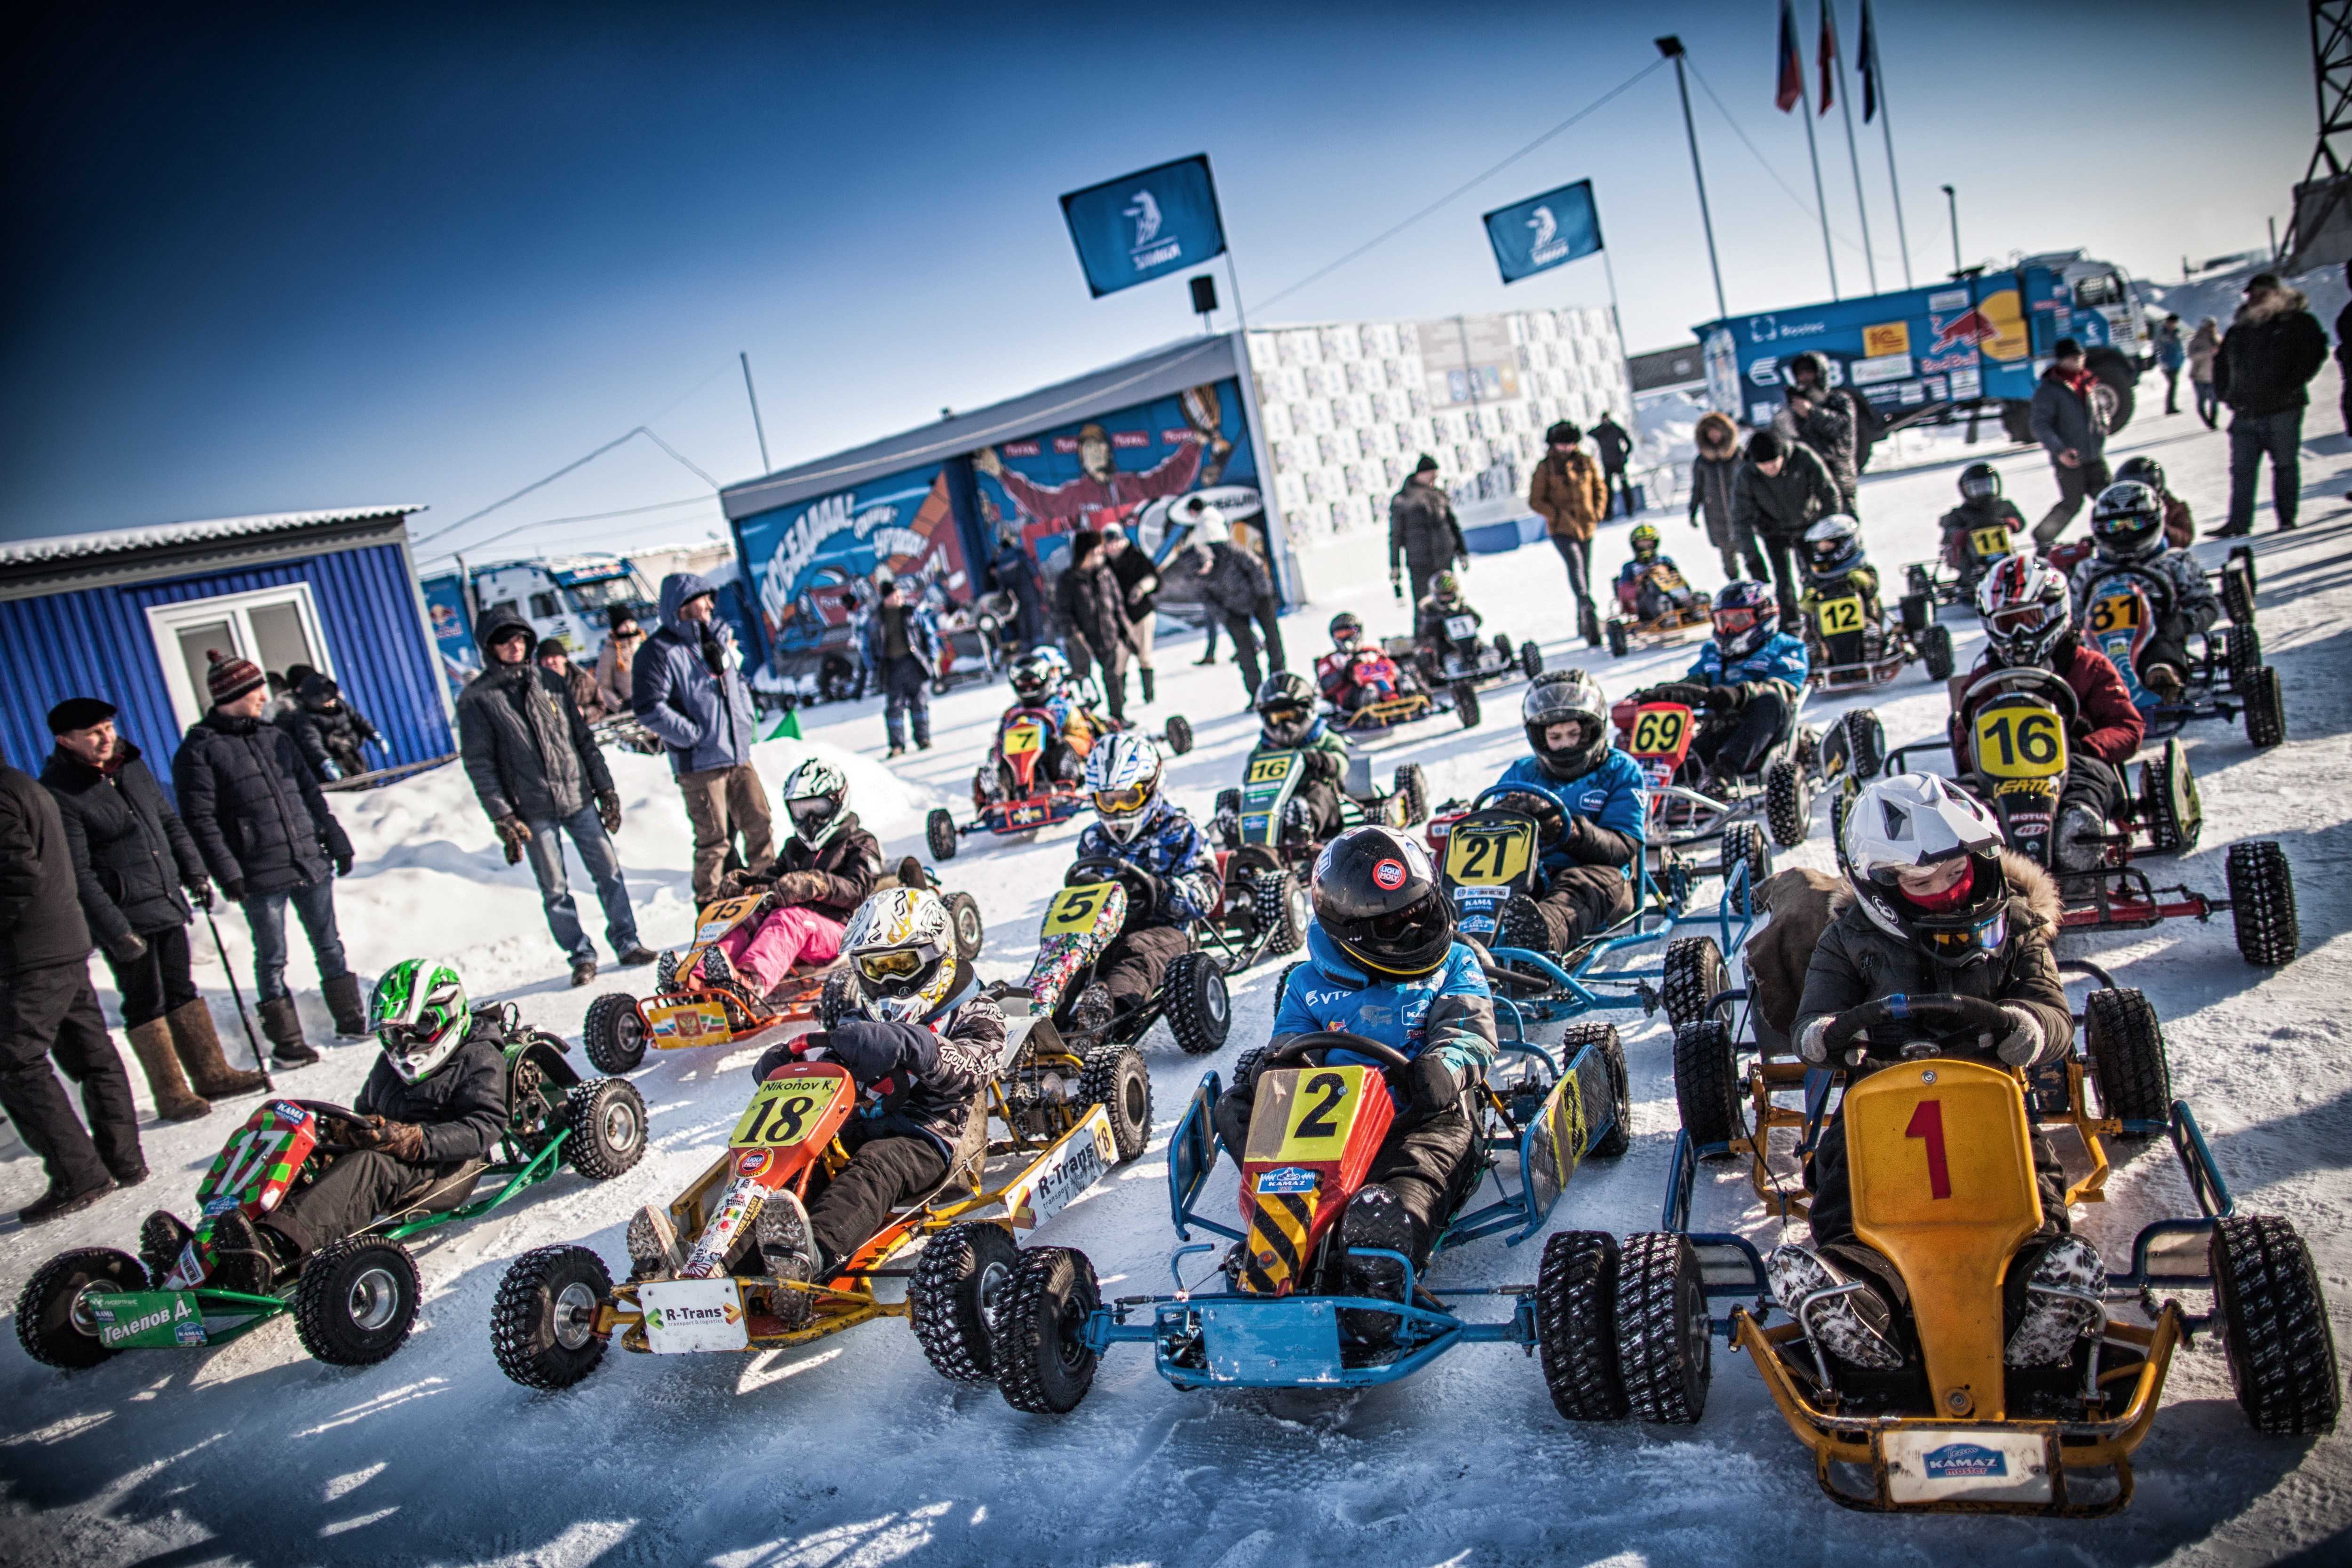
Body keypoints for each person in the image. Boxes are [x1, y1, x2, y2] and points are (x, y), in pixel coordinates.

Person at [1769, 772, 2092, 1379]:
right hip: (1881, 1094)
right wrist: (1825, 1035)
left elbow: (2052, 1013)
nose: (1945, 888)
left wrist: (2028, 1025)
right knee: (1840, 1175)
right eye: (1922, 881)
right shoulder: (1848, 939)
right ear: (1880, 884)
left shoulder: (2014, 926)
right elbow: (1812, 1021)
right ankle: (1863, 1292)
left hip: (1987, 1090)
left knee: (2030, 1171)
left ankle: (2038, 1282)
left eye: (1956, 871)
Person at [1215, 825, 1496, 1338]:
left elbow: (1469, 1029)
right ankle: (1278, 1230)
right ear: (1350, 929)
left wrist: (1444, 1065)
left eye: (1419, 909)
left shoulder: (1455, 962)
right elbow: (1290, 1041)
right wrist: (1279, 1069)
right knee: (1237, 1103)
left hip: (1418, 1113)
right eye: (1394, 921)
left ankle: (1383, 1259)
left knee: (1417, 1171)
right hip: (1332, 1128)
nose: (1414, 926)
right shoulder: (1306, 983)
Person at [176, 959, 512, 1293]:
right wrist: (344, 1131)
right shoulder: (390, 1063)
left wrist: (411, 1139)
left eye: (416, 1028)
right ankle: (213, 1244)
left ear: (445, 1015)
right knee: (306, 1153)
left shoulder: (478, 1055)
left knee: (368, 1165)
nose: (404, 1043)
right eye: (394, 1033)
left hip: (442, 1166)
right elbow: (364, 1112)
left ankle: (276, 1249)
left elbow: (486, 1125)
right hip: (396, 1152)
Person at [744, 887, 1004, 1297]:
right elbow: (833, 1068)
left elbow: (977, 1068)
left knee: (875, 1165)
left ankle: (812, 1257)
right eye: (874, 968)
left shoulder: (976, 1011)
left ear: (936, 953)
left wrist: (914, 1045)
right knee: (793, 1161)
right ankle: (722, 1261)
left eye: (899, 965)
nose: (887, 981)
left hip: (929, 1137)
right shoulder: (861, 1016)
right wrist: (788, 1070)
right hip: (860, 1122)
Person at [41, 698, 264, 1123]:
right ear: (65, 741)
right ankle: (170, 1091)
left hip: (164, 899)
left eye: (108, 727)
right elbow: (78, 873)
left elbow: (169, 822)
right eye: (93, 733)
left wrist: (194, 871)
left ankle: (212, 1073)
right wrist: (114, 929)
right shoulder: (61, 791)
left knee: (181, 988)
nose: (106, 738)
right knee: (145, 1000)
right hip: (125, 915)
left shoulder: (131, 765)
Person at [174, 650, 362, 1064]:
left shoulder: (274, 735)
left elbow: (309, 793)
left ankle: (351, 1019)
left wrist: (335, 837)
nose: (265, 696)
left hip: (307, 857)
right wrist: (228, 872)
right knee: (272, 957)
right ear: (233, 694)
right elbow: (200, 820)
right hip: (258, 870)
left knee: (329, 943)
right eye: (256, 689)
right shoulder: (199, 750)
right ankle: (287, 1041)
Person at [459, 612, 651, 988]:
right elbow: (480, 765)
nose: (515, 646)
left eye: (520, 638)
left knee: (609, 871)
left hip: (577, 794)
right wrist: (503, 815)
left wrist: (605, 789)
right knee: (555, 889)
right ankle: (581, 955)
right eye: (505, 640)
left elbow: (583, 740)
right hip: (531, 809)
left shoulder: (550, 682)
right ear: (490, 647)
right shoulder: (477, 699)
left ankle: (627, 941)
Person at [0, 759, 142, 1222]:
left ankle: (77, 1174)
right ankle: (123, 1159)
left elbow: (18, 873)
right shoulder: (21, 783)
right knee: (90, 1051)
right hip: (63, 936)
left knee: (15, 1060)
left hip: (30, 948)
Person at [1954, 556, 2144, 869]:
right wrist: (1991, 755)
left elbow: (2127, 728)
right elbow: (1964, 745)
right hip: (2000, 778)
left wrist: (2083, 747)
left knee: (2087, 781)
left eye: (2030, 619)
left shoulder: (2089, 666)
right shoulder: (1982, 682)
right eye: (2007, 624)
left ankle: (2077, 834)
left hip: (2077, 767)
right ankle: (1979, 850)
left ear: (2056, 613)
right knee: (1964, 797)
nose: (2018, 634)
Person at [688, 759, 882, 1002]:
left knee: (788, 918)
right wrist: (747, 885)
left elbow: (858, 891)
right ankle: (698, 980)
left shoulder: (861, 843)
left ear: (838, 801)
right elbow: (773, 880)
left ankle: (750, 984)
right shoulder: (795, 847)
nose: (810, 819)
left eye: (818, 808)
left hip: (842, 935)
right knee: (748, 918)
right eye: (801, 810)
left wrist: (817, 884)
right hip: (793, 934)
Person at [634, 572, 773, 903]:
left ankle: (766, 892)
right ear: (682, 604)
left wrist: (745, 720)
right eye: (703, 599)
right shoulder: (659, 650)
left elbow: (737, 684)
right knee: (715, 841)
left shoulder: (717, 639)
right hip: (700, 764)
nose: (711, 605)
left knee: (760, 823)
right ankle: (709, 907)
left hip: (738, 754)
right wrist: (695, 736)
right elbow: (649, 707)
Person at [1065, 733, 1217, 1033]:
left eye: (1129, 798)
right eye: (1108, 801)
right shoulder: (1093, 839)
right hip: (1107, 929)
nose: (1119, 810)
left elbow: (1206, 893)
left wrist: (1159, 890)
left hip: (1169, 928)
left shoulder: (1182, 831)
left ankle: (1106, 1019)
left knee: (1135, 953)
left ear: (1151, 788)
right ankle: (1041, 1016)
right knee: (1071, 955)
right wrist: (1087, 888)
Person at [1488, 671, 1645, 953]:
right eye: (1555, 737)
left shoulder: (1620, 770)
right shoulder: (1521, 773)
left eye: (1574, 734)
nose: (1566, 745)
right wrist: (1504, 816)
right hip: (1531, 874)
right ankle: (1451, 944)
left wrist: (1567, 829)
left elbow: (1623, 847)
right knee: (1485, 887)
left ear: (1592, 730)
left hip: (1599, 880)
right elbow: (1492, 837)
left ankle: (1538, 946)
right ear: (1540, 737)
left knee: (1579, 884)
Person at [2067, 481, 2219, 703]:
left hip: (2157, 632)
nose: (2124, 533)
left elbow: (2206, 604)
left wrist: (2182, 622)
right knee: (2074, 650)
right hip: (2098, 638)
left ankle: (2161, 675)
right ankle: (2075, 691)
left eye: (2134, 524)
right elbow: (2072, 612)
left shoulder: (2176, 561)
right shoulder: (2088, 569)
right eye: (2114, 527)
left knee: (2164, 635)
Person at [2214, 271, 2329, 537]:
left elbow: (2315, 351)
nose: (2254, 301)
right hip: (2245, 412)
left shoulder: (2296, 323)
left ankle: (2286, 519)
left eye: (2260, 295)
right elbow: (2220, 365)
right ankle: (2238, 523)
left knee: (2285, 465)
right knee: (2242, 470)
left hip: (2283, 409)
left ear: (2277, 295)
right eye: (2251, 296)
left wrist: (2293, 383)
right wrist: (2227, 396)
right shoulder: (2239, 329)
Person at [1665, 581, 1810, 785]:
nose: (1728, 629)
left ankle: (1721, 774)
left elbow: (1784, 688)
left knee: (1771, 702)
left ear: (1764, 617)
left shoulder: (1787, 647)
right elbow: (1696, 682)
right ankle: (1664, 783)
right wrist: (1667, 694)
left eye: (1738, 620)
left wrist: (1740, 694)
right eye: (1722, 621)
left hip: (1762, 732)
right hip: (1719, 729)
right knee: (1683, 758)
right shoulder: (1713, 653)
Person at [1731, 430, 1841, 625]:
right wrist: (1752, 557)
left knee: (1816, 574)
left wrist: (1828, 532)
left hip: (1809, 527)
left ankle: (1821, 617)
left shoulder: (1803, 457)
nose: (1770, 468)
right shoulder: (1746, 474)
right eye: (1764, 465)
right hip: (1774, 531)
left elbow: (1829, 492)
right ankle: (1790, 623)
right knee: (1783, 581)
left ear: (1783, 455)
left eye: (1774, 462)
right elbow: (1740, 518)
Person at [1245, 672, 1352, 843]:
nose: (1285, 725)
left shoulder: (1324, 738)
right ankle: (1236, 828)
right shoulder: (1264, 749)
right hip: (1274, 804)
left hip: (1324, 809)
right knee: (1239, 798)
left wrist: (1321, 761)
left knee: (1317, 791)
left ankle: (1304, 826)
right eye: (1278, 718)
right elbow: (1249, 778)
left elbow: (1341, 764)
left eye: (1291, 716)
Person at [2027, 338, 2113, 546]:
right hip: (2069, 460)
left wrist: (2103, 427)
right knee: (2073, 502)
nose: (2078, 360)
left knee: (2109, 498)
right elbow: (2040, 426)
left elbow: (2099, 411)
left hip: (2094, 455)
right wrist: (2060, 451)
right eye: (2072, 357)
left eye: (2080, 356)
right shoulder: (2049, 390)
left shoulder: (2087, 382)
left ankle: (2120, 533)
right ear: (2061, 360)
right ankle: (2043, 538)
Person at [1528, 422, 1608, 641]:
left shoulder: (1586, 462)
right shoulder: (1546, 467)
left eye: (1571, 443)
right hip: (1561, 529)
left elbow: (1599, 487)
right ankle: (1586, 603)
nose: (1567, 448)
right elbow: (1536, 500)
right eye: (1563, 444)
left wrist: (1598, 511)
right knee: (1576, 565)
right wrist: (1556, 516)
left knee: (1585, 571)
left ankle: (1584, 620)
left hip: (1586, 525)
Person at [1187, 531, 1286, 703]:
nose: (1205, 570)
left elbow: (1255, 565)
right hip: (1232, 611)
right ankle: (1256, 695)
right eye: (1201, 571)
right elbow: (1207, 600)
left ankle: (1280, 684)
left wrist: (1263, 593)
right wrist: (1226, 618)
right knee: (1245, 652)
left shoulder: (1228, 549)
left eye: (1206, 565)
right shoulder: (1194, 577)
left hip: (1259, 597)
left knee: (1273, 640)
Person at [1053, 530, 1136, 723]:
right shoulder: (1068, 580)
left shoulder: (1106, 574)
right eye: (1099, 548)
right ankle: (1086, 722)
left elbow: (1118, 605)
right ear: (1087, 551)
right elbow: (1062, 612)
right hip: (1082, 638)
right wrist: (1074, 636)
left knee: (1114, 677)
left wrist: (1126, 631)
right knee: (1083, 681)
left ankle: (1118, 717)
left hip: (1107, 633)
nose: (1102, 552)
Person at [1772, 351, 1861, 517]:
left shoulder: (1839, 400)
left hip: (1838, 477)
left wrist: (1811, 412)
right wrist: (1786, 418)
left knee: (1844, 524)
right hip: (1809, 483)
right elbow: (1788, 442)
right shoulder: (1795, 407)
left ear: (1820, 374)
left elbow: (1841, 428)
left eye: (1809, 372)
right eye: (1800, 374)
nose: (1804, 378)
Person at [862, 576, 941, 757]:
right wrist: (873, 666)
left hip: (914, 664)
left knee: (920, 704)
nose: (900, 599)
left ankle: (923, 739)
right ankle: (897, 745)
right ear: (886, 598)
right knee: (895, 708)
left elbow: (929, 634)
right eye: (896, 596)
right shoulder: (875, 620)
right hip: (891, 668)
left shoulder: (911, 613)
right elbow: (866, 646)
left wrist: (932, 657)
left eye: (901, 595)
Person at [1796, 514, 1882, 665]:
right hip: (1824, 628)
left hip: (1864, 619)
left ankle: (1872, 641)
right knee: (1809, 627)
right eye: (1821, 546)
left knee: (1870, 613)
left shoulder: (1860, 567)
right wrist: (1808, 599)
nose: (1823, 549)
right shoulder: (1817, 574)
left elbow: (1872, 586)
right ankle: (1817, 651)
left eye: (1828, 545)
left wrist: (1864, 581)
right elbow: (1808, 592)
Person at [1688, 411, 1764, 581]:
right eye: (1710, 432)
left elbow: (1754, 481)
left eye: (1717, 431)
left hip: (1741, 511)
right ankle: (1734, 583)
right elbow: (1698, 488)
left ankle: (1759, 582)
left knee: (1749, 550)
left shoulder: (1738, 455)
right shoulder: (1702, 461)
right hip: (1716, 514)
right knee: (1727, 555)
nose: (1714, 435)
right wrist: (1692, 510)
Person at [1389, 454, 1468, 608]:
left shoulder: (1438, 495)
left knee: (1449, 602)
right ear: (1422, 474)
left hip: (1444, 559)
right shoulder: (1403, 500)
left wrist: (1462, 552)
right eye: (1432, 475)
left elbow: (1453, 526)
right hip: (1420, 563)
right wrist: (1395, 565)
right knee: (1424, 604)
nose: (1434, 479)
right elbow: (1396, 535)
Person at [1937, 463, 2028, 589]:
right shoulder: (1960, 513)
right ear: (1966, 490)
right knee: (1967, 569)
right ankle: (1970, 584)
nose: (1983, 492)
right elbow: (1950, 531)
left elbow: (2020, 521)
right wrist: (1959, 534)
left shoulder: (2004, 507)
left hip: (2005, 556)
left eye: (1987, 486)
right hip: (1972, 562)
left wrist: (2012, 523)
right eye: (1977, 488)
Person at [278, 672, 382, 781]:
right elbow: (312, 741)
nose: (331, 704)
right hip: (332, 762)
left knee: (366, 781)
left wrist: (374, 734)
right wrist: (326, 762)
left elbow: (359, 720)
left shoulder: (341, 705)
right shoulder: (305, 717)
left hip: (352, 755)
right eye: (326, 701)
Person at [1102, 527, 1161, 705]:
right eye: (1109, 543)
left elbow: (1154, 579)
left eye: (1116, 542)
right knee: (1119, 662)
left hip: (1142, 614)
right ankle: (1120, 701)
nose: (1113, 546)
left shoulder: (1137, 557)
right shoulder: (1103, 565)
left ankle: (1149, 696)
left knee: (1145, 656)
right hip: (1119, 621)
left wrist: (1142, 588)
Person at [1614, 523, 1703, 622]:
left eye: (1649, 544)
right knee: (1654, 586)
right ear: (1635, 545)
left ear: (1655, 544)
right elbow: (1625, 594)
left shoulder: (1665, 560)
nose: (1646, 547)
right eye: (1642, 544)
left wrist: (1663, 570)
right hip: (1646, 603)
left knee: (1671, 578)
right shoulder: (1630, 567)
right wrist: (1642, 580)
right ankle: (1666, 610)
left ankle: (1690, 604)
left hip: (1672, 594)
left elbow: (1679, 579)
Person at [1315, 613, 1401, 712]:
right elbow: (1325, 686)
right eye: (1340, 636)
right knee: (1368, 692)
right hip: (1351, 697)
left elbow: (1393, 669)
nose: (1346, 639)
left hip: (1384, 685)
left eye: (1350, 634)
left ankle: (1403, 701)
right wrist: (1345, 672)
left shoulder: (1374, 651)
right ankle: (1371, 708)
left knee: (1403, 682)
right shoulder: (1331, 660)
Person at [2112, 454, 2194, 549]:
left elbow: (2185, 538)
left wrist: (2160, 528)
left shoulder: (2173, 508)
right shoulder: (2115, 510)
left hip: (2160, 554)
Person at [1412, 570, 1486, 668]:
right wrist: (1438, 622)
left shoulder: (1461, 607)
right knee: (1440, 648)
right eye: (1444, 595)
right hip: (1445, 644)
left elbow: (1478, 620)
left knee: (1479, 645)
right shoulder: (1430, 610)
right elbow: (1425, 631)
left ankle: (1486, 660)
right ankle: (1444, 668)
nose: (1447, 598)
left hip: (1467, 641)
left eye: (1449, 594)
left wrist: (1470, 618)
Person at [535, 639, 609, 724]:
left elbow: (601, 708)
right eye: (545, 659)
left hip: (583, 729)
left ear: (564, 658)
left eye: (553, 656)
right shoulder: (536, 687)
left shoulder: (584, 680)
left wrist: (585, 713)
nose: (549, 661)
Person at [594, 606, 644, 716]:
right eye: (624, 624)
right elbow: (603, 686)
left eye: (631, 622)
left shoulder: (645, 644)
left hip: (657, 696)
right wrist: (619, 705)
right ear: (617, 628)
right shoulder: (610, 652)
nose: (629, 627)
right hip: (633, 703)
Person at [1590, 411, 1637, 519]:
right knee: (1607, 490)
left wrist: (1624, 455)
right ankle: (1608, 513)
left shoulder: (1616, 429)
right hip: (1608, 464)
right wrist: (1601, 427)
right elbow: (1590, 433)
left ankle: (1630, 509)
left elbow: (1629, 443)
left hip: (1619, 463)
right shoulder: (1601, 432)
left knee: (1625, 486)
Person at [2187, 316, 2223, 430]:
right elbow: (2191, 355)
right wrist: (2207, 353)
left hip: (2214, 375)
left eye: (2213, 326)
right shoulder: (2196, 340)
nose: (2212, 328)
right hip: (2199, 376)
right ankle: (2207, 421)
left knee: (2215, 400)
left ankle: (2213, 421)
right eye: (2210, 326)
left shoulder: (2218, 339)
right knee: (2202, 400)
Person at [2156, 313, 2186, 416]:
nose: (2172, 325)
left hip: (2176, 363)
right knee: (2172, 384)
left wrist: (2182, 359)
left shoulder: (2177, 333)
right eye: (2171, 323)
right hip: (2168, 364)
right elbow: (2158, 349)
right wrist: (2163, 362)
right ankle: (2170, 407)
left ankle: (2171, 406)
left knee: (2173, 385)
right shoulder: (2162, 334)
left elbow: (2181, 348)